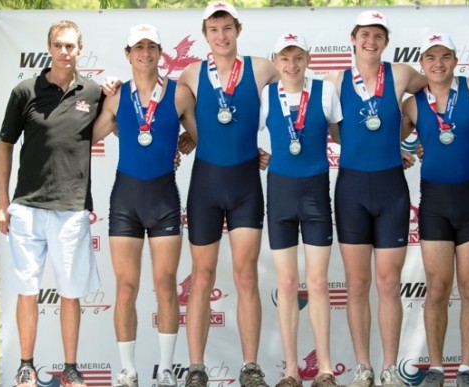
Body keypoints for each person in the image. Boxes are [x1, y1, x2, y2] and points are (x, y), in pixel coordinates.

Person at [176, 2, 279, 387]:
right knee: (201, 277)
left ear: (238, 29)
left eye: (227, 28)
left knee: (246, 276)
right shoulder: (190, 72)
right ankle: (196, 368)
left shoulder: (260, 68)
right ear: (205, 34)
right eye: (213, 30)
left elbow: (303, 95)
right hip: (205, 185)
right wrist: (189, 132)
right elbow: (165, 102)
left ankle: (250, 367)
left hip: (245, 187)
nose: (221, 36)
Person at [0, 20, 102, 387]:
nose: (64, 52)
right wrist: (2, 201)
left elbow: (118, 121)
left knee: (70, 294)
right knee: (28, 292)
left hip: (72, 210)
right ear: (49, 47)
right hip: (26, 208)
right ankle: (27, 365)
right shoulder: (25, 91)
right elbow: (5, 146)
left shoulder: (94, 91)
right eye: (58, 45)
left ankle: (71, 369)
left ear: (80, 47)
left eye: (71, 46)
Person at [326, 10, 426, 387]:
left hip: (391, 190)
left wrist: (410, 140)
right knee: (357, 283)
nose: (371, 40)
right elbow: (331, 130)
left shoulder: (400, 74)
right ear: (353, 38)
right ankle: (363, 367)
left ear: (385, 41)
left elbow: (434, 90)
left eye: (378, 35)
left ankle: (388, 368)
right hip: (351, 188)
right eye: (365, 34)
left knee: (388, 282)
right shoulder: (335, 80)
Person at [92, 24, 195, 387]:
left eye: (152, 47)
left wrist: (185, 143)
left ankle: (166, 370)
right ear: (128, 53)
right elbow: (89, 135)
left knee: (166, 284)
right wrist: (93, 95)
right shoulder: (117, 97)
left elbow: (200, 135)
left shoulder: (180, 94)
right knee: (126, 287)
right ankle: (128, 370)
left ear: (160, 52)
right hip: (126, 200)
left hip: (164, 198)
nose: (146, 53)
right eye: (139, 47)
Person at [401, 33, 469, 387]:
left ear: (456, 59)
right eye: (430, 58)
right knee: (437, 288)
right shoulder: (411, 104)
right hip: (435, 203)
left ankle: (466, 368)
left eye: (445, 56)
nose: (438, 64)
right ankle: (438, 368)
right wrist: (404, 149)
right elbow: (381, 137)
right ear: (421, 64)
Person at [259, 32, 342, 387]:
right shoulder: (266, 95)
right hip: (279, 194)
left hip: (315, 194)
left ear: (308, 59)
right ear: (276, 61)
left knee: (319, 282)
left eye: (298, 58)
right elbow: (242, 131)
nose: (291, 65)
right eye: (285, 58)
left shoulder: (324, 92)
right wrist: (256, 155)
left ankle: (324, 369)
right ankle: (291, 370)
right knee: (288, 282)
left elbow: (343, 136)